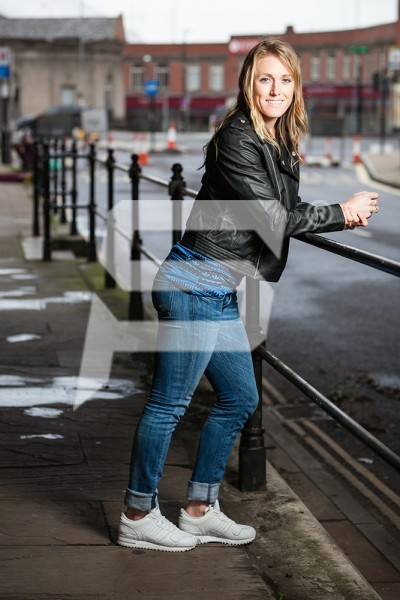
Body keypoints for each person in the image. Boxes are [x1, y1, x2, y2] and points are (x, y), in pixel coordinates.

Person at [117, 37, 379, 552]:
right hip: (194, 283)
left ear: (295, 87)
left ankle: (199, 509)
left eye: (285, 80)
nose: (275, 89)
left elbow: (284, 206)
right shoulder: (238, 136)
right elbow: (273, 218)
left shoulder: (276, 139)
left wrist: (333, 214)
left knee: (240, 397)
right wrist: (342, 213)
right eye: (265, 79)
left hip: (217, 290)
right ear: (249, 84)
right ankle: (136, 513)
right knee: (169, 404)